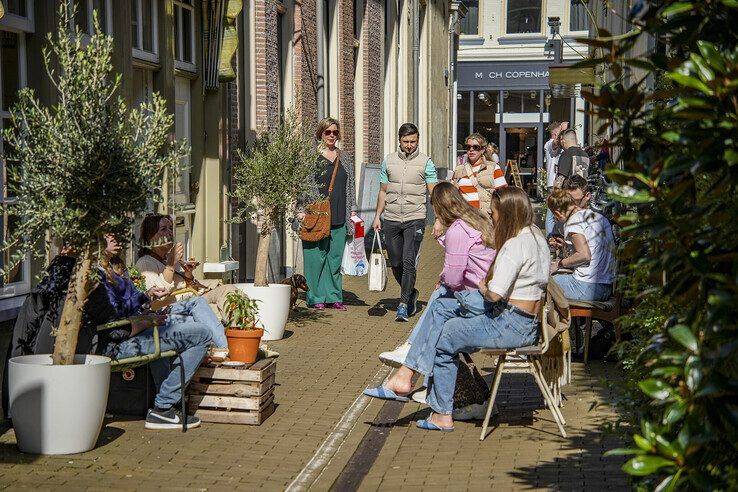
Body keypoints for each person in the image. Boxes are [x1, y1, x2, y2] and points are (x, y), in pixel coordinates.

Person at [367, 188, 549, 432]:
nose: (491, 216)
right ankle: (405, 375)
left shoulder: (515, 244)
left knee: (445, 337)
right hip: (524, 319)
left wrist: (484, 286)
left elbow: (494, 293)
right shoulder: (536, 235)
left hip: (509, 322)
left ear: (506, 214)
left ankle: (440, 412)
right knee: (441, 305)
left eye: (494, 212)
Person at [377, 182, 496, 369]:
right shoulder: (477, 219)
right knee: (440, 293)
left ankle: (412, 349)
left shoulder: (458, 230)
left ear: (439, 207)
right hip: (487, 287)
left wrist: (444, 281)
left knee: (440, 299)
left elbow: (454, 278)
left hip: (480, 295)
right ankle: (413, 356)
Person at [372, 123, 439, 322]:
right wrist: (377, 216)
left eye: (413, 141)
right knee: (396, 262)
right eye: (406, 141)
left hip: (415, 217)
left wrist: (438, 219)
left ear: (417, 140)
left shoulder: (426, 162)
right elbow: (383, 191)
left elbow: (433, 191)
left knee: (409, 261)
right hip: (391, 218)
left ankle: (403, 305)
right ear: (399, 140)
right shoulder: (389, 161)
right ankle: (410, 292)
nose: (410, 145)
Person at [135, 214, 239, 325]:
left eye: (170, 228)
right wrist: (171, 264)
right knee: (221, 309)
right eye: (163, 229)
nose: (170, 233)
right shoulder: (146, 262)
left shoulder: (163, 259)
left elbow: (179, 283)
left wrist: (188, 273)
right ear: (151, 236)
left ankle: (246, 334)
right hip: (178, 306)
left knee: (230, 290)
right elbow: (156, 297)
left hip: (192, 297)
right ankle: (242, 335)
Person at [297, 117, 357, 311]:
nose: (332, 136)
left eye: (335, 132)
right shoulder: (310, 156)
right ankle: (315, 297)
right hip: (317, 215)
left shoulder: (344, 157)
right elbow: (302, 185)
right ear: (321, 133)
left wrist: (352, 209)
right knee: (315, 258)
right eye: (328, 132)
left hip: (340, 215)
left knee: (334, 259)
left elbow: (350, 184)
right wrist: (300, 210)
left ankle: (334, 296)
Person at [547, 189, 615, 302]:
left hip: (587, 287)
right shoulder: (598, 217)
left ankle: (560, 319)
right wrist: (565, 245)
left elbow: (584, 255)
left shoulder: (573, 222)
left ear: (558, 213)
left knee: (542, 281)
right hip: (606, 287)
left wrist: (559, 264)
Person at [452, 133, 507, 210]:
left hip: (485, 216)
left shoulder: (493, 167)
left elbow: (503, 194)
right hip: (464, 215)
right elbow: (452, 194)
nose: (471, 150)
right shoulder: (459, 170)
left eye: (476, 147)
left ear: (482, 149)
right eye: (468, 147)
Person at [544, 121, 566, 237]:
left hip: (560, 182)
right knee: (552, 213)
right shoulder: (549, 144)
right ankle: (550, 240)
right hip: (553, 183)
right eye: (560, 133)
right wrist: (562, 129)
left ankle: (556, 238)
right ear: (555, 133)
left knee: (557, 212)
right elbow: (555, 144)